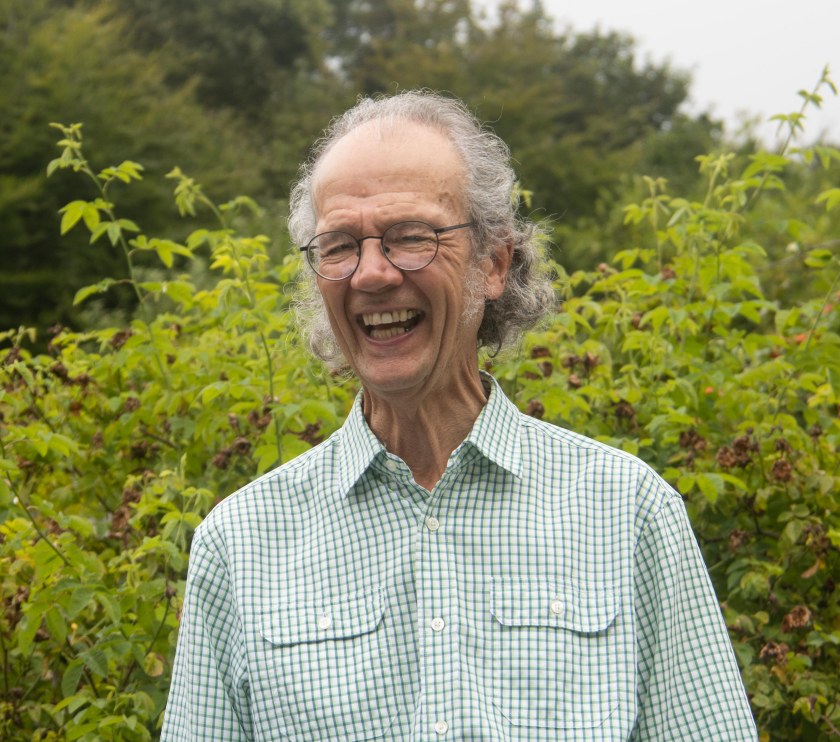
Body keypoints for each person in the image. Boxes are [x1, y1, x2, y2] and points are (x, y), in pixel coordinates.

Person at [162, 91, 757, 740]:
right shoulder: (242, 544)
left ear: (494, 263)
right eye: (339, 246)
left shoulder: (629, 514)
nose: (371, 273)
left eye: (409, 237)